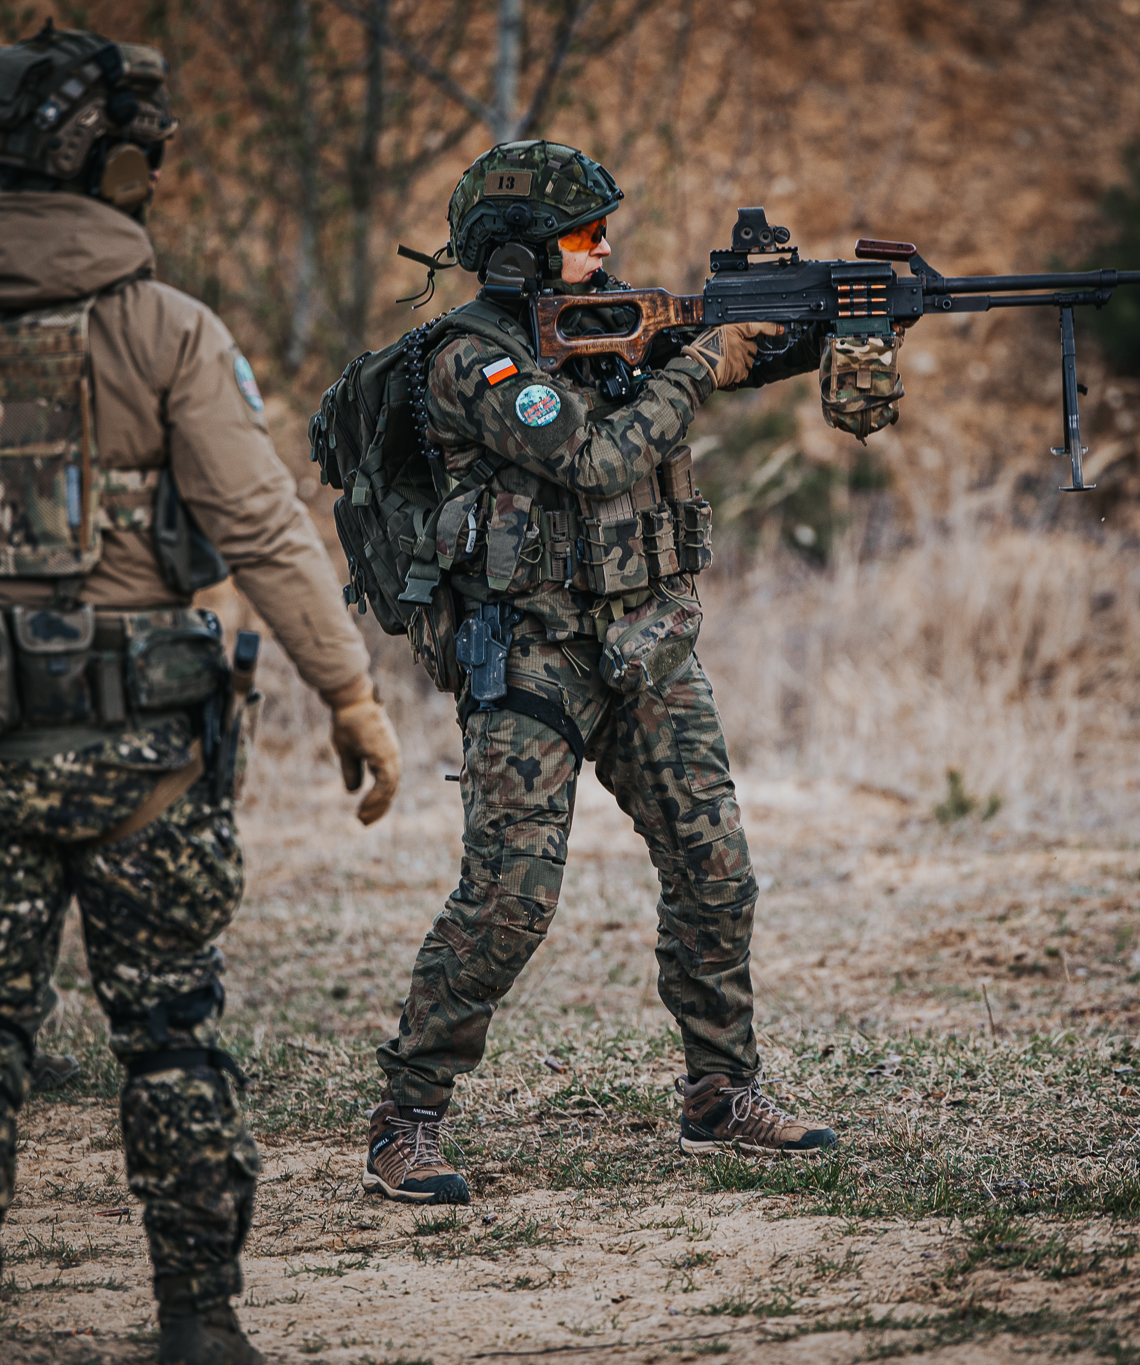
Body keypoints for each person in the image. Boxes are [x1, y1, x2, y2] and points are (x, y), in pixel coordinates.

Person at [0, 26, 401, 1365]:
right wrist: (353, 696)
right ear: (118, 161)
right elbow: (261, 525)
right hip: (145, 765)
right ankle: (199, 1316)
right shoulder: (164, 327)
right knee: (171, 1031)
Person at [364, 141, 838, 1208]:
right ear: (520, 256)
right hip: (528, 656)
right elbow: (592, 457)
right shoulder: (471, 360)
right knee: (509, 902)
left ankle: (720, 1089)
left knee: (715, 865)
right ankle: (407, 1117)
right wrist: (697, 367)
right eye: (582, 238)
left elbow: (739, 352)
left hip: (644, 641)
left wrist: (826, 322)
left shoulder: (619, 329)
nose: (605, 250)